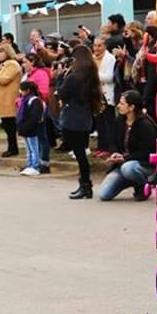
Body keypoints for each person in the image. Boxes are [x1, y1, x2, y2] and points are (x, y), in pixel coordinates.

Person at [58, 44, 103, 200]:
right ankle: (85, 185)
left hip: (72, 119)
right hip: (85, 118)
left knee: (79, 155)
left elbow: (62, 93)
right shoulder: (91, 76)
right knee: (81, 152)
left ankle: (85, 185)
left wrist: (62, 75)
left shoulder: (73, 77)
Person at [97, 91, 157, 201]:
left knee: (128, 168)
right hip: (122, 164)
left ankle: (143, 187)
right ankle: (130, 180)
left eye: (122, 103)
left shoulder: (145, 124)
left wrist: (125, 158)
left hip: (142, 165)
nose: (118, 106)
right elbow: (113, 141)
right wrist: (114, 153)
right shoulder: (119, 121)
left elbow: (147, 151)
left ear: (131, 107)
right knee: (104, 194)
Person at [0, 43, 21, 157]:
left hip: (9, 99)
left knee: (10, 126)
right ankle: (11, 147)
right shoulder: (4, 65)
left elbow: (4, 79)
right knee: (6, 125)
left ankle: (13, 148)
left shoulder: (12, 64)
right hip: (3, 100)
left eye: (0, 52)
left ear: (7, 53)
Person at [92, 36, 117, 156]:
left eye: (99, 45)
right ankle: (101, 146)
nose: (96, 48)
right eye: (95, 45)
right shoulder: (92, 58)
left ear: (105, 46)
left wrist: (94, 74)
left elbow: (109, 77)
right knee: (99, 123)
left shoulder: (110, 58)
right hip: (96, 94)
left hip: (106, 94)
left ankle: (109, 148)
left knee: (108, 123)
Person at [16, 80, 44, 176]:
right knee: (28, 148)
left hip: (31, 129)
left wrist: (27, 126)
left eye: (22, 90)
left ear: (28, 90)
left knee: (34, 148)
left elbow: (35, 116)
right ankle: (29, 164)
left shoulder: (34, 101)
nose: (20, 92)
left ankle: (35, 166)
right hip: (24, 128)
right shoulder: (24, 100)